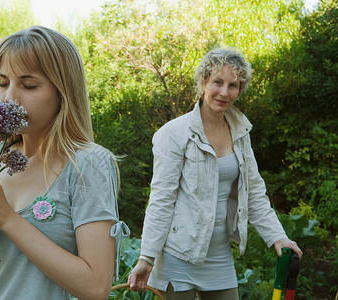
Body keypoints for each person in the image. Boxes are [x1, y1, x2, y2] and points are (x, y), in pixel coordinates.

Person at [0, 26, 128, 300]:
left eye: (29, 85)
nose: (9, 97)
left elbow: (96, 288)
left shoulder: (88, 164)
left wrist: (8, 219)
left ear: (63, 91)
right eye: (2, 83)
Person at [127, 48, 303, 300]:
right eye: (217, 82)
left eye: (233, 85)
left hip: (219, 256)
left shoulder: (241, 133)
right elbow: (161, 200)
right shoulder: (174, 134)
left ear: (240, 90)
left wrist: (278, 238)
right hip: (179, 257)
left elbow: (253, 192)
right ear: (203, 82)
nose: (224, 92)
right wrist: (147, 258)